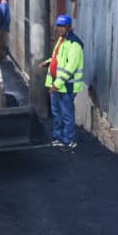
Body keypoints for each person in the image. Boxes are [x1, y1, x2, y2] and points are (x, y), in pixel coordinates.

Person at [43, 14, 84, 151]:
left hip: (66, 86)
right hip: (57, 85)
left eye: (63, 26)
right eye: (58, 26)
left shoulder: (75, 45)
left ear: (69, 27)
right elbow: (59, 59)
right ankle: (58, 137)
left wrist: (56, 85)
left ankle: (69, 141)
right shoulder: (62, 41)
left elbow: (70, 68)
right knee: (57, 112)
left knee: (67, 114)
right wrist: (48, 62)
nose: (59, 29)